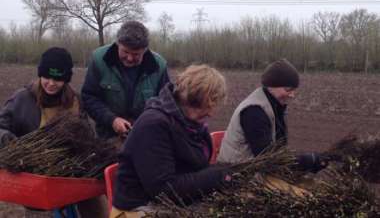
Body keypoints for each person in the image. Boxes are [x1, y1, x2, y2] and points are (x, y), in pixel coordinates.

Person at [110, 65, 232, 217]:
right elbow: (163, 190)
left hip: (174, 205)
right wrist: (216, 176)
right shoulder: (154, 125)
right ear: (193, 98)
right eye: (208, 105)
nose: (211, 113)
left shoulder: (190, 123)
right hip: (139, 209)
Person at [0, 47, 107, 218]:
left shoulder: (75, 101)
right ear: (40, 74)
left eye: (57, 79)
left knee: (95, 208)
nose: (51, 83)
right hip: (37, 176)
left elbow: (87, 135)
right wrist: (8, 140)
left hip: (73, 173)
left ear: (66, 79)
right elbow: (1, 127)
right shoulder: (22, 99)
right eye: (46, 77)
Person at [217, 59, 328, 173]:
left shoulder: (274, 105)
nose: (292, 95)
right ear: (271, 86)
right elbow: (267, 158)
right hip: (236, 172)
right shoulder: (254, 112)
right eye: (288, 89)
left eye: (294, 90)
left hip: (253, 167)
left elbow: (276, 151)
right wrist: (306, 161)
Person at [81, 21, 170, 140]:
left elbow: (167, 105)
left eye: (136, 54)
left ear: (145, 50)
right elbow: (89, 97)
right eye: (125, 52)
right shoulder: (99, 59)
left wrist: (145, 124)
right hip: (107, 138)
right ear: (118, 43)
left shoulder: (159, 66)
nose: (129, 58)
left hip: (146, 137)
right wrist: (111, 120)